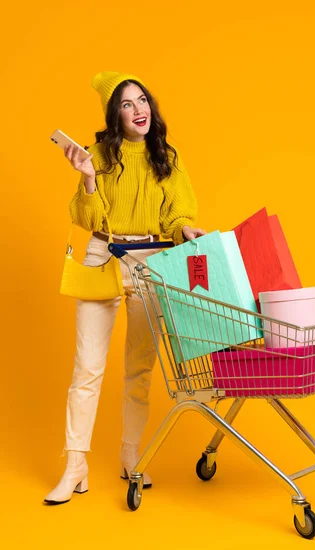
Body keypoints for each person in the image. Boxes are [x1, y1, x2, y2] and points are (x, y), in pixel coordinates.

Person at [45, 71, 206, 505]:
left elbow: (176, 214)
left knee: (139, 369)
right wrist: (88, 177)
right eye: (128, 104)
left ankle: (132, 456)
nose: (140, 110)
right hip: (103, 255)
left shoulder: (166, 157)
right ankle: (75, 465)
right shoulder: (94, 154)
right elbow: (88, 219)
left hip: (151, 262)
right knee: (87, 368)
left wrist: (186, 229)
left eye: (143, 101)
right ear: (114, 116)